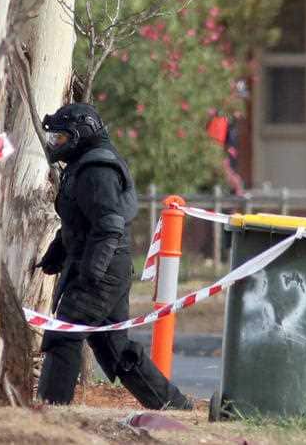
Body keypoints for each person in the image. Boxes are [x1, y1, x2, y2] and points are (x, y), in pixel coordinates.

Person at [34, 103, 192, 410]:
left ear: (81, 134)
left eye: (61, 138)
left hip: (102, 267)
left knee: (65, 332)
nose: (56, 144)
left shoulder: (96, 169)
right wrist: (58, 250)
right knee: (115, 349)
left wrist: (92, 273)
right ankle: (174, 405)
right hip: (104, 264)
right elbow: (81, 221)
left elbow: (108, 225)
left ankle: (50, 410)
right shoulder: (84, 164)